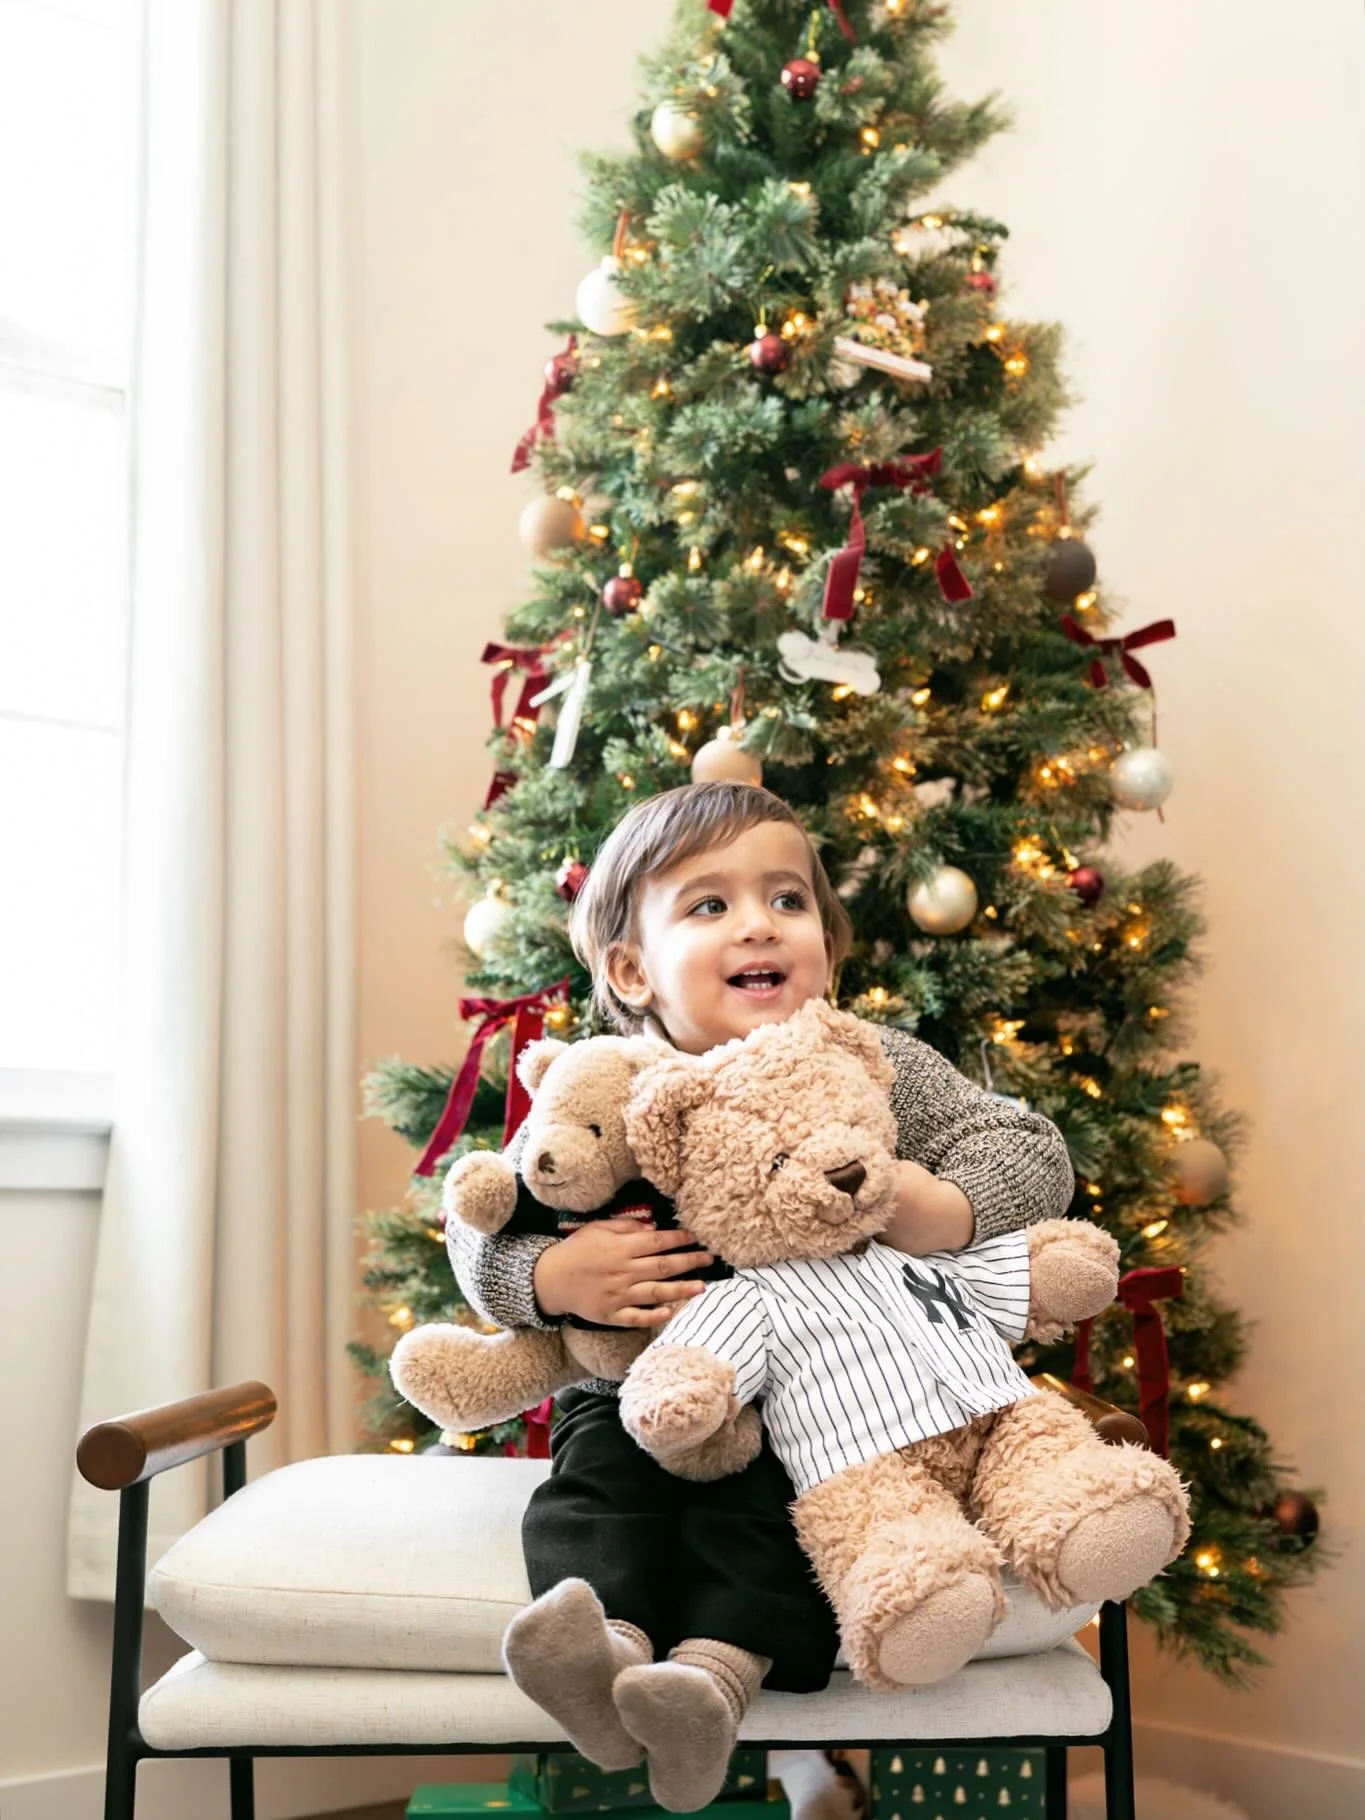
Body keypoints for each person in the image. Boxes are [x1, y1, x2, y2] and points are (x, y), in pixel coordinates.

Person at [447, 782, 1074, 1812]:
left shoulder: (869, 1063)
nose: (758, 923)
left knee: (783, 1529)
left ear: (827, 942)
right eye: (709, 905)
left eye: (789, 900)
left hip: (824, 1404)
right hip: (638, 1386)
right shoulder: (605, 1079)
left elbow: (1029, 1148)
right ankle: (600, 1643)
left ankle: (710, 1678)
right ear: (630, 968)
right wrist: (549, 1278)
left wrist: (947, 1203)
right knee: (597, 1485)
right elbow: (483, 1219)